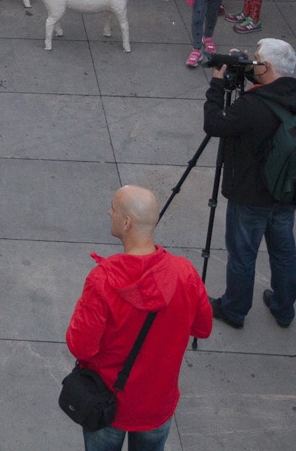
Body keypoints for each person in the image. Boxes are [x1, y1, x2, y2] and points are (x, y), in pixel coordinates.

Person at [65, 186, 212, 451]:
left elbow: (81, 346)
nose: (109, 212)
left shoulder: (103, 281)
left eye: (113, 208)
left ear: (126, 223)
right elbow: (203, 327)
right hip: (158, 405)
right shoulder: (185, 274)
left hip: (107, 404)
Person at [204, 37, 296, 328]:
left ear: (265, 67)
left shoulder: (252, 105)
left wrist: (216, 84)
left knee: (242, 254)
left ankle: (235, 309)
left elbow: (214, 123)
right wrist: (245, 68)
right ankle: (283, 307)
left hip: (251, 194)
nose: (252, 62)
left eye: (255, 59)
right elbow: (271, 85)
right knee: (283, 249)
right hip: (286, 190)